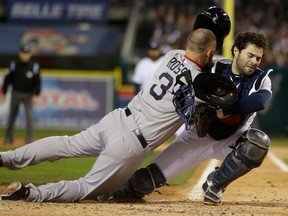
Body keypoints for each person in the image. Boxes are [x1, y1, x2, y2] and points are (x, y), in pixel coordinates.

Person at [0, 28, 217, 202]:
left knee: (65, 144)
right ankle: (29, 194)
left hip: (117, 119)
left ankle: (6, 157)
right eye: (212, 52)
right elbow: (212, 83)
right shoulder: (199, 85)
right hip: (131, 143)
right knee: (86, 187)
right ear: (208, 52)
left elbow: (195, 61)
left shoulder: (172, 54)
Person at [97, 31, 272, 206]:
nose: (254, 61)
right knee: (145, 181)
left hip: (233, 139)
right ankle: (111, 190)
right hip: (199, 135)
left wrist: (223, 112)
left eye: (258, 58)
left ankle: (215, 184)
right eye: (250, 55)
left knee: (258, 143)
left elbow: (260, 101)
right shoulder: (214, 67)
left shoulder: (261, 78)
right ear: (236, 51)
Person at [2, 44, 41, 145]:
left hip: (28, 95)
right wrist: (4, 93)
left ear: (30, 54)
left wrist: (36, 94)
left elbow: (38, 81)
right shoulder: (14, 64)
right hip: (16, 93)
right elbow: (7, 79)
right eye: (23, 53)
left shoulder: (34, 66)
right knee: (12, 116)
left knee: (29, 117)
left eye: (27, 53)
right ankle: (8, 138)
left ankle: (29, 140)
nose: (25, 55)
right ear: (20, 54)